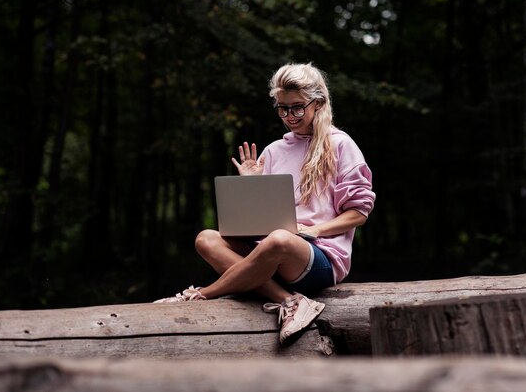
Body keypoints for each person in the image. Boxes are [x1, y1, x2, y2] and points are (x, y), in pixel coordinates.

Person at [154, 62, 376, 345]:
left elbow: (358, 213)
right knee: (206, 238)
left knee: (279, 239)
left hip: (318, 257)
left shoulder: (341, 144)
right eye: (282, 108)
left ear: (318, 103)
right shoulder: (273, 151)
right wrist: (250, 185)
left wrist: (314, 230)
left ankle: (201, 294)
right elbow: (256, 223)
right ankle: (289, 300)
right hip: (270, 251)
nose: (289, 116)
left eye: (297, 107)